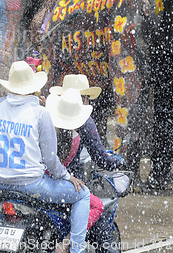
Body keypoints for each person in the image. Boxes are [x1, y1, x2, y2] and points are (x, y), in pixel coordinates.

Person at [0, 61, 90, 253]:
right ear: (33, 89)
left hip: (0, 183)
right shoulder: (40, 113)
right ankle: (77, 250)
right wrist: (68, 177)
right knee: (83, 194)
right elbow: (51, 161)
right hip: (31, 185)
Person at [48, 75, 125, 252]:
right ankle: (71, 243)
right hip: (69, 186)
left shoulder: (48, 114)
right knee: (100, 222)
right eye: (86, 98)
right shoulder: (84, 121)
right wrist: (118, 162)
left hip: (42, 182)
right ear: (83, 98)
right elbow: (101, 158)